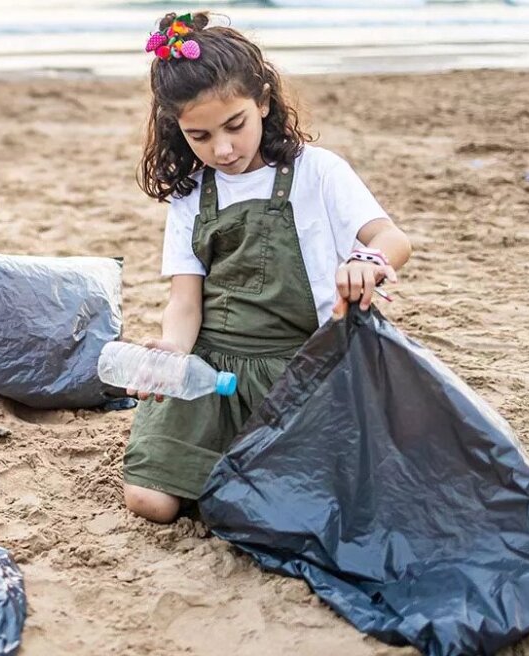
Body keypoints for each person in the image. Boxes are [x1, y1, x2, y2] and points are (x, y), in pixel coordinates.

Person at [124, 12, 413, 523]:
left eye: (235, 125)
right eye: (199, 136)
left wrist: (365, 261)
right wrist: (173, 351)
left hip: (301, 364)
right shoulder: (191, 195)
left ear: (262, 100)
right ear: (177, 129)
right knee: (149, 502)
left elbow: (392, 239)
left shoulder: (318, 172)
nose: (223, 149)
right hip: (212, 370)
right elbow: (185, 301)